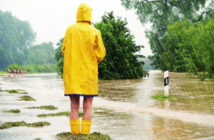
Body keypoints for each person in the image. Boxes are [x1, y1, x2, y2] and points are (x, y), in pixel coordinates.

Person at [62, 3, 106, 135]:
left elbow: (63, 50)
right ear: (89, 14)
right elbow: (101, 53)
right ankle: (85, 135)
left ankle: (75, 135)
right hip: (89, 74)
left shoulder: (70, 30)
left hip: (73, 74)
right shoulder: (95, 31)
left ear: (78, 14)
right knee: (88, 106)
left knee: (74, 107)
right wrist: (92, 60)